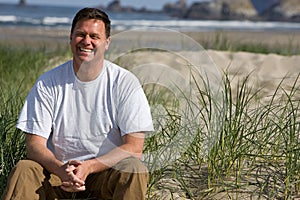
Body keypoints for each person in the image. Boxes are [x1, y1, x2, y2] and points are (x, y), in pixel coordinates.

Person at [2, 7, 153, 200]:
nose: (86, 41)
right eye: (80, 34)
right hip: (58, 175)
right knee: (25, 168)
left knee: (133, 168)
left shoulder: (124, 83)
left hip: (104, 174)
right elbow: (34, 145)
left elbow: (134, 148)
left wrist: (89, 166)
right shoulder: (48, 83)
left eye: (94, 36)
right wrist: (61, 169)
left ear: (106, 43)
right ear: (71, 38)